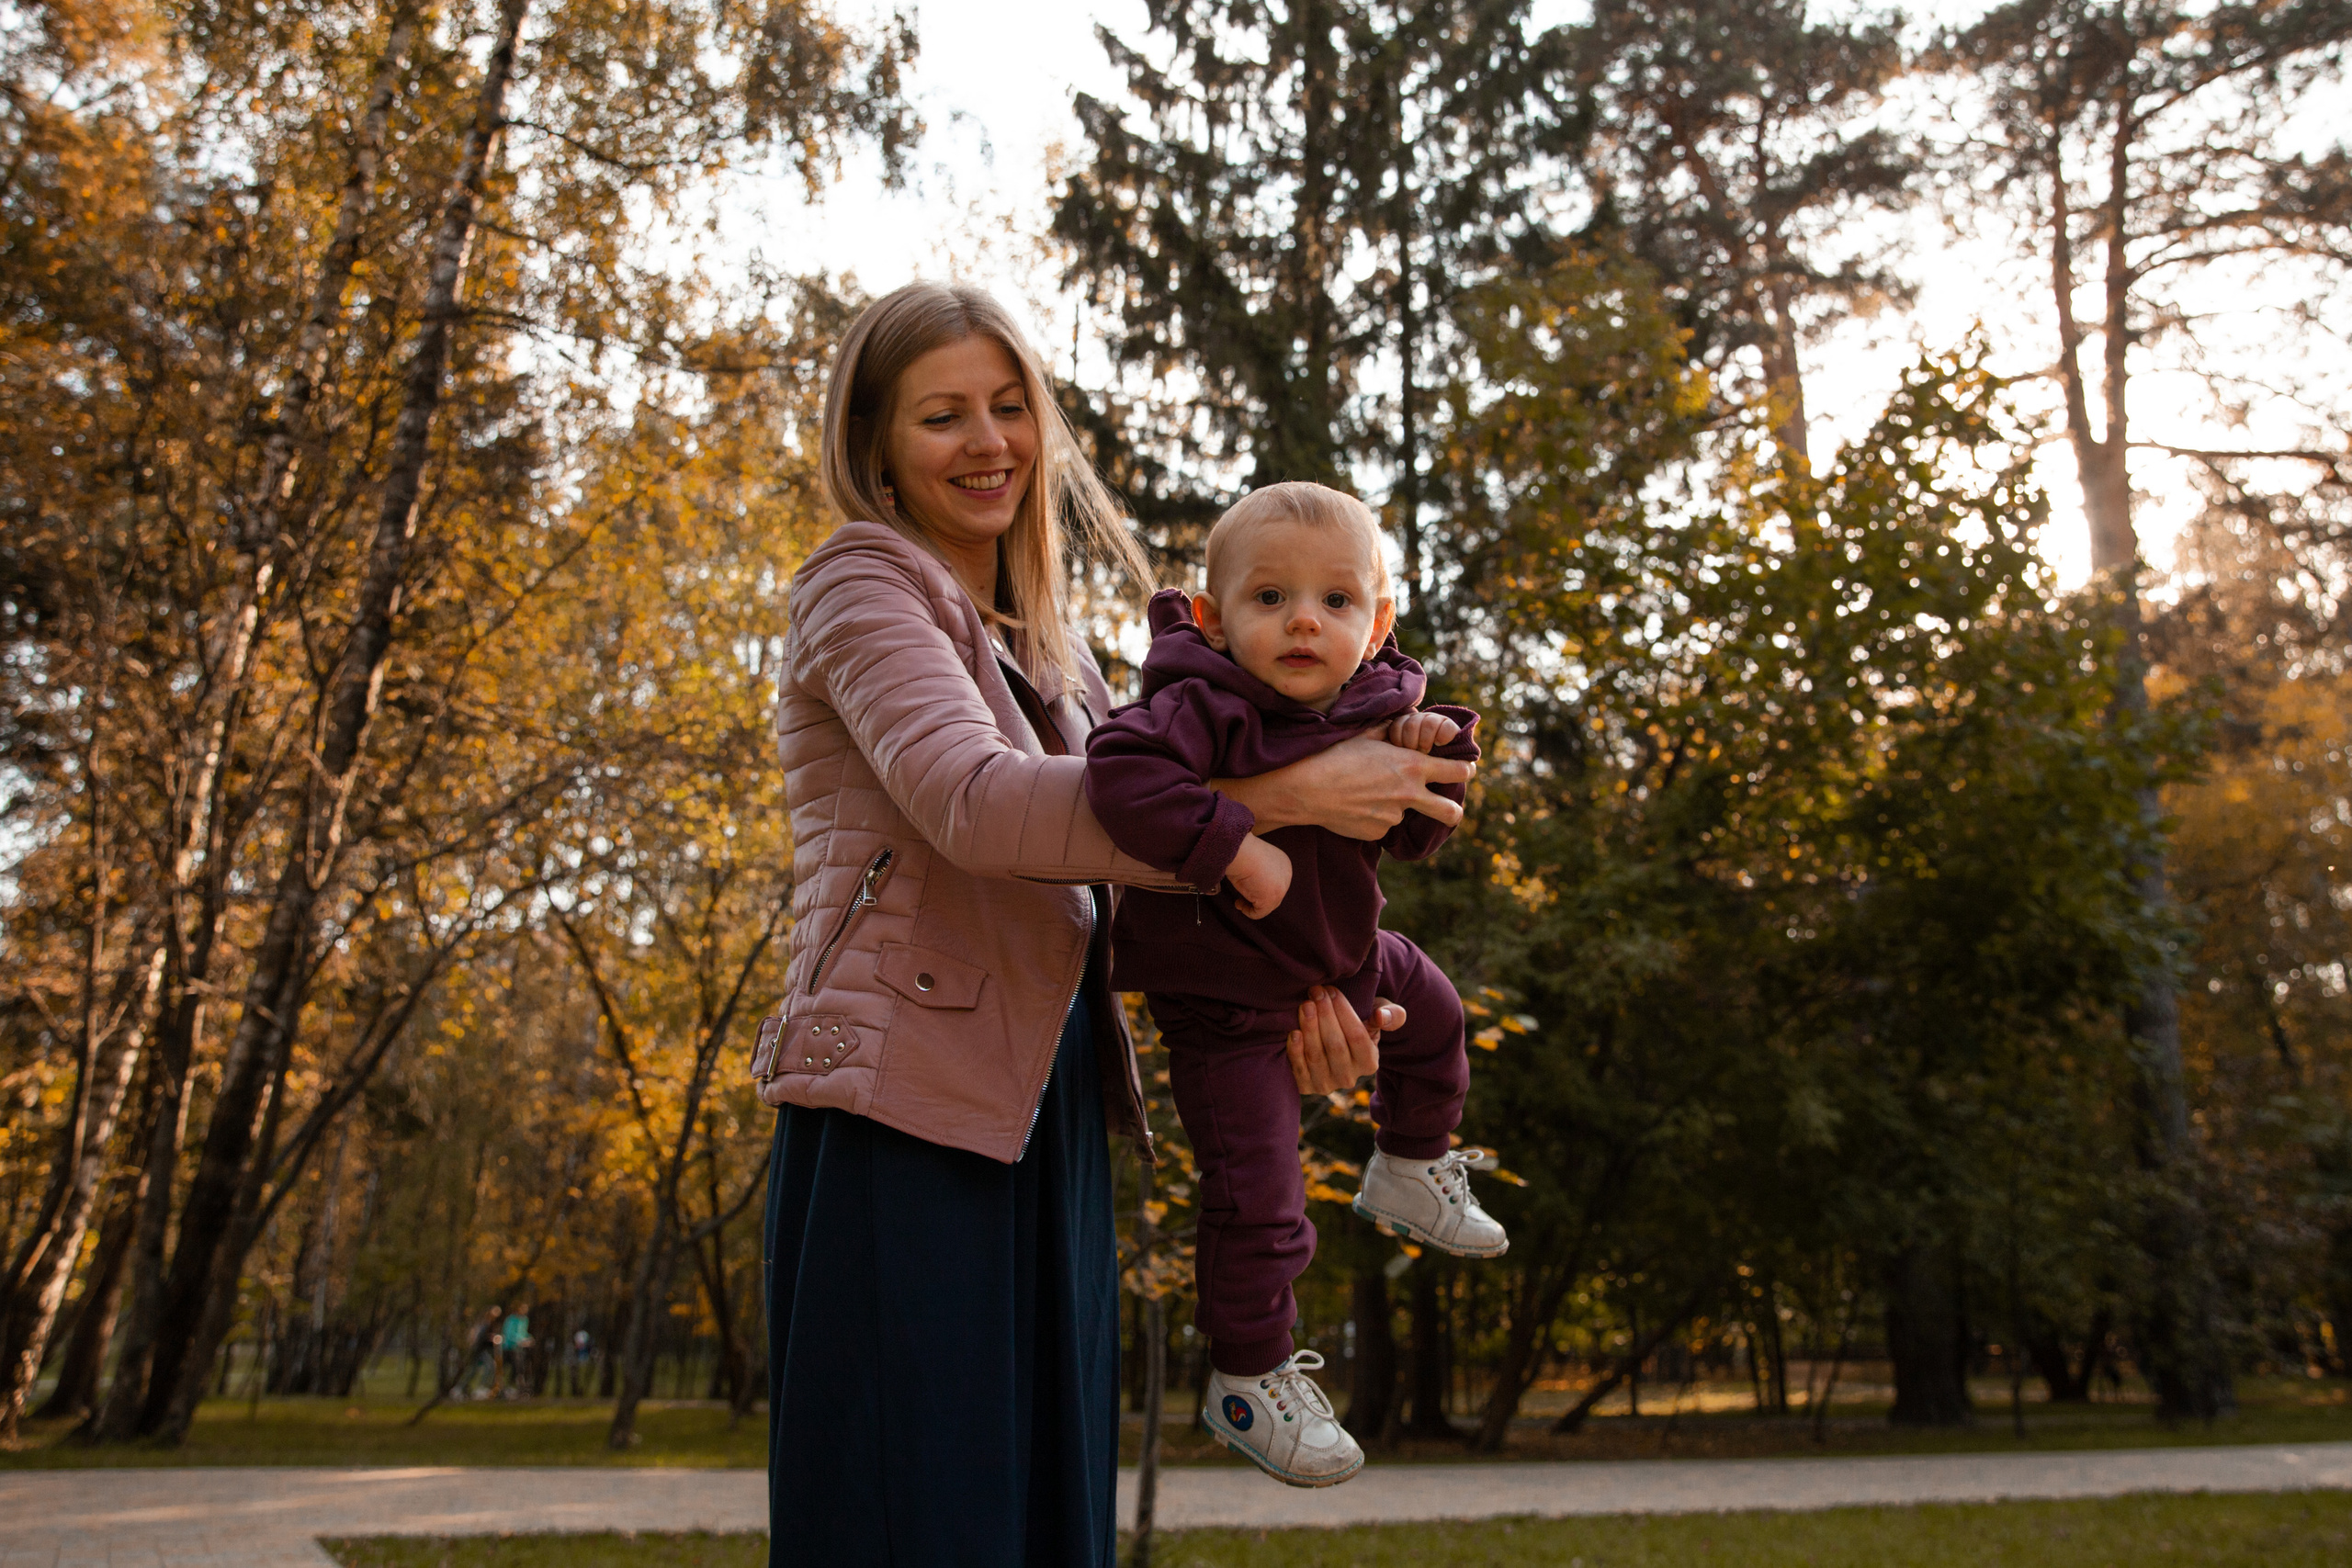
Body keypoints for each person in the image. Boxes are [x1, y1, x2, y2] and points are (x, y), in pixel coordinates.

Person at [758, 281, 1476, 1568]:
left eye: (1009, 404)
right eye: (942, 415)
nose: (988, 441)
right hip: (900, 1107)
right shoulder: (862, 581)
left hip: (1045, 1110)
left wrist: (1302, 995)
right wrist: (1294, 794)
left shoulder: (1061, 652)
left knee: (1044, 1514)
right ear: (875, 443)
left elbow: (1145, 872)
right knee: (915, 1514)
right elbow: (979, 804)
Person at [1083, 482, 1509, 1487]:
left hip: (1342, 956)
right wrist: (1237, 847)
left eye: (1335, 600)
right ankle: (1247, 1375)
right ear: (1215, 618)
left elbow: (1417, 831)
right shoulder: (1198, 705)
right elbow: (1119, 782)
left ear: (1378, 620)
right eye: (1269, 598)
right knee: (1259, 1198)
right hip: (1226, 1005)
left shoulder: (1379, 705)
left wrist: (1429, 754)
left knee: (1436, 1012)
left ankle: (1410, 1164)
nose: (1304, 620)